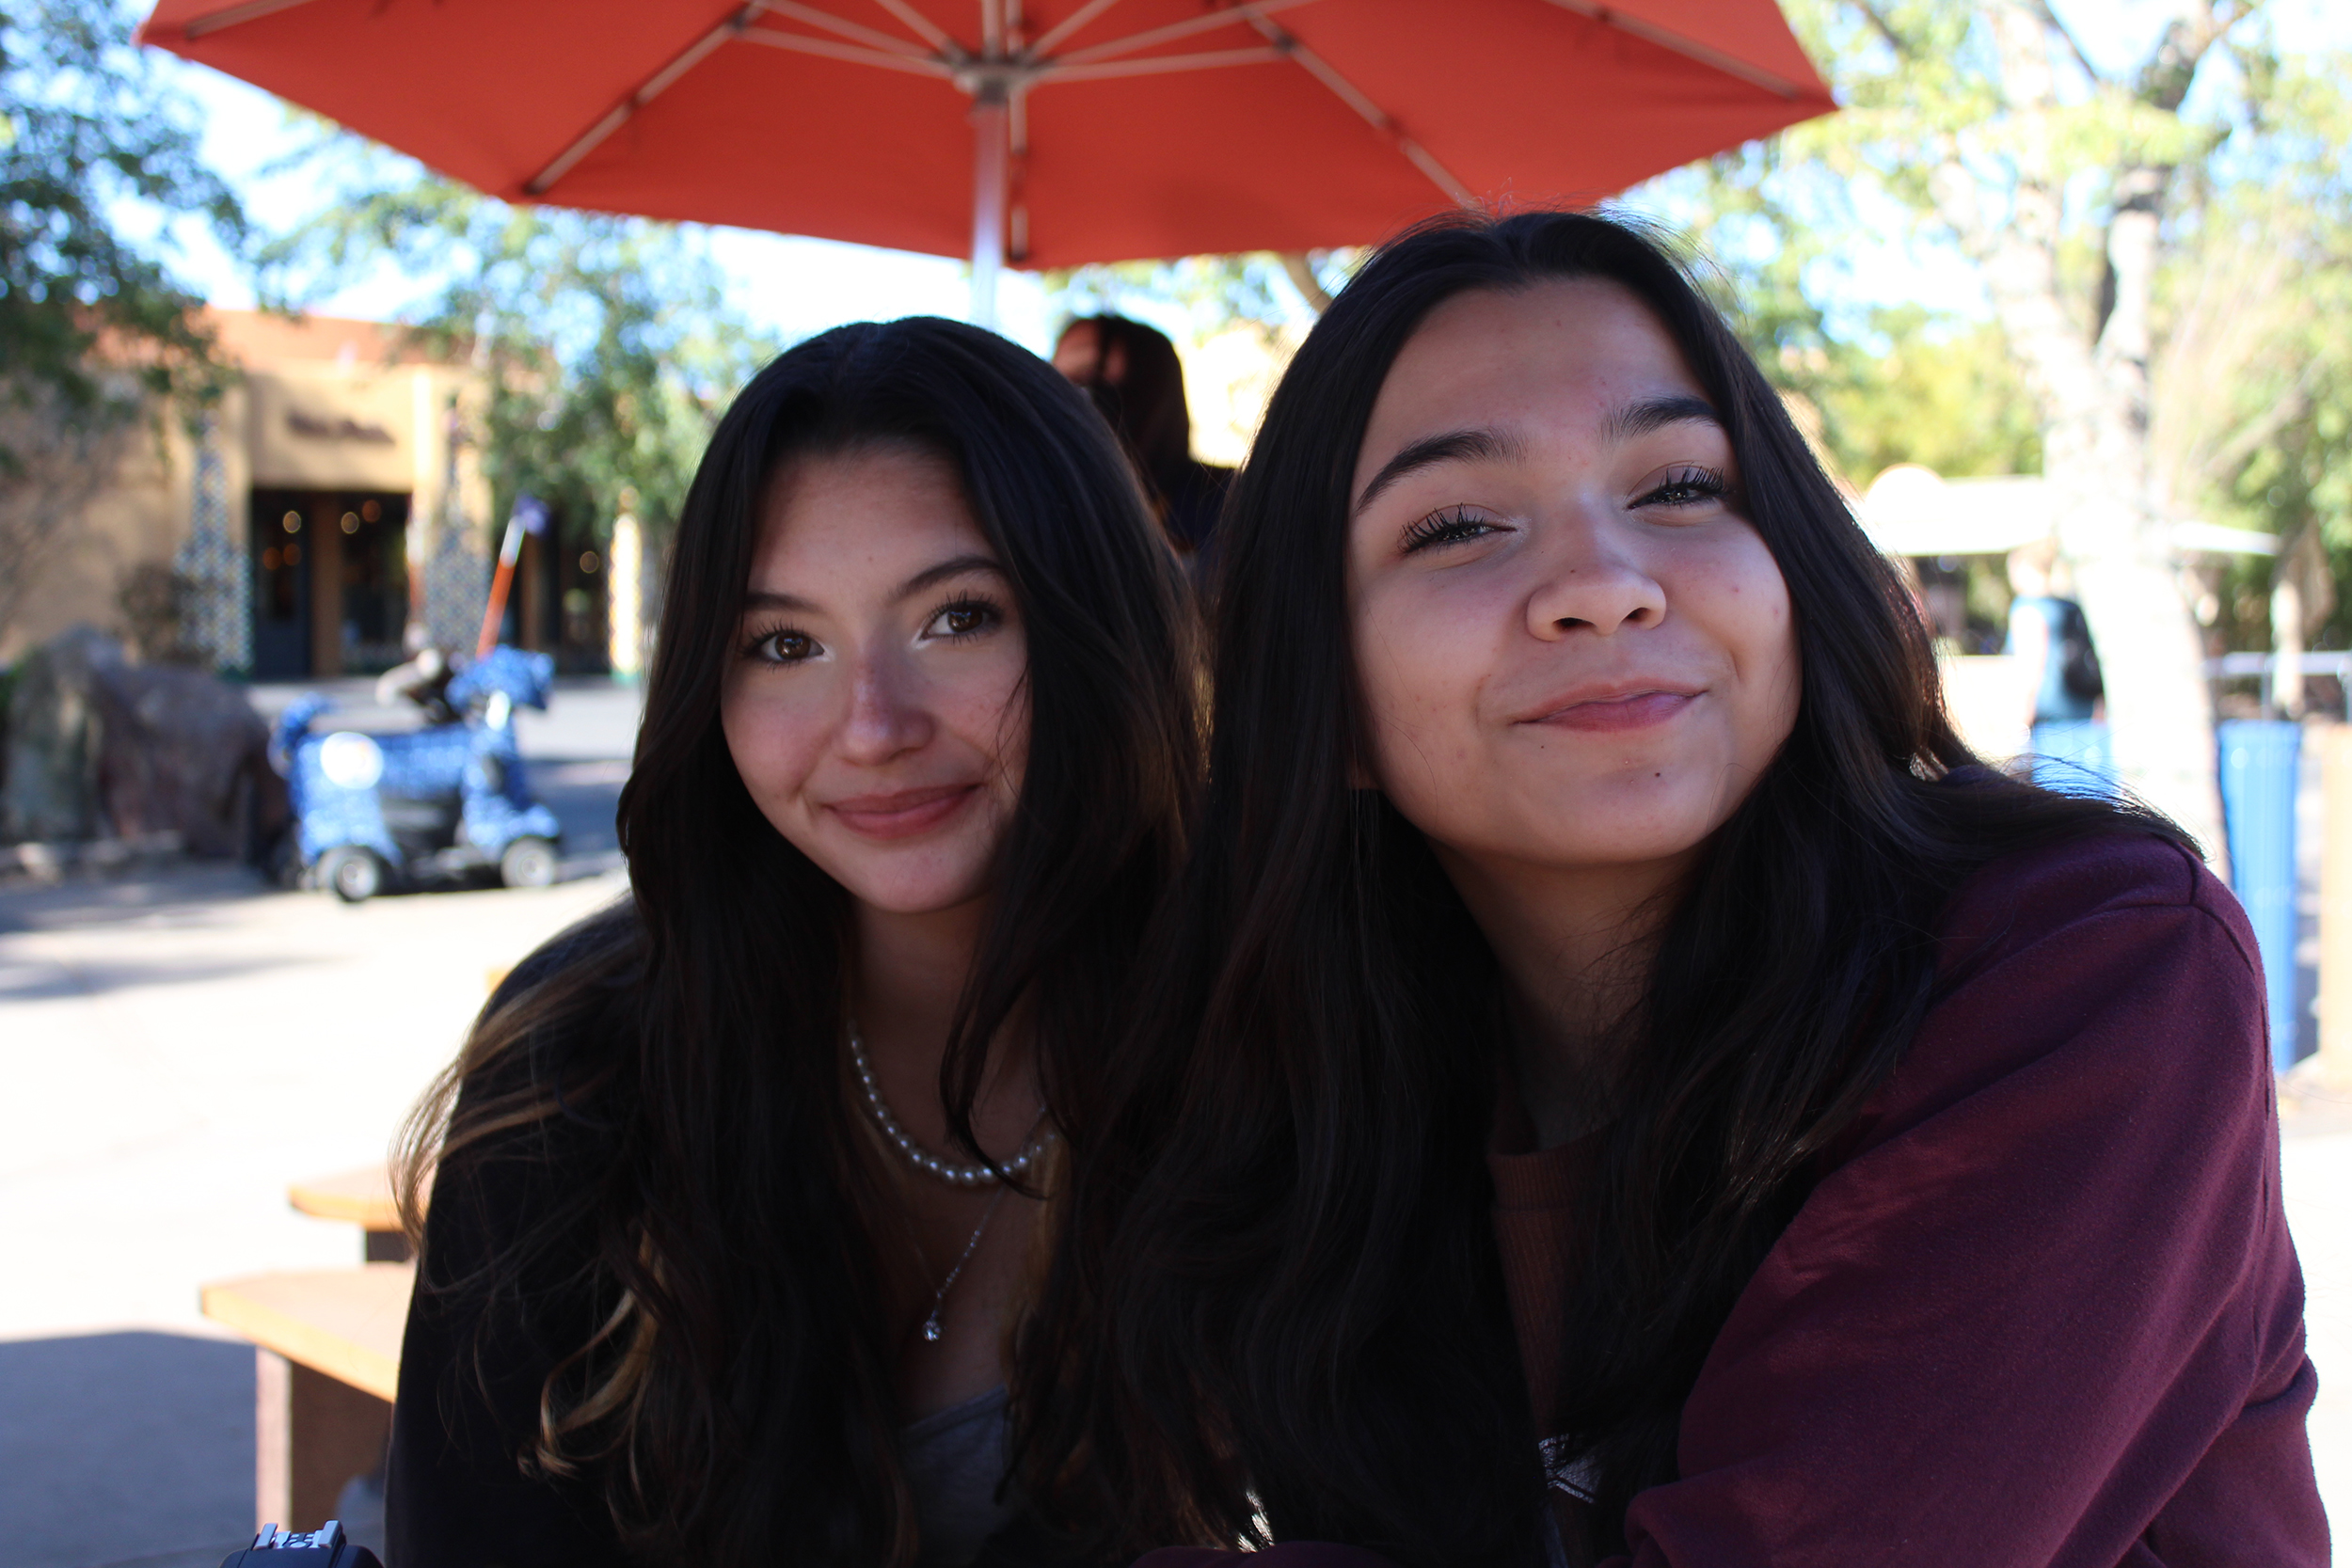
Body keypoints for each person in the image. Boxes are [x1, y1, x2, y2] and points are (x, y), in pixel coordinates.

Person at [1019, 212, 2325, 1568]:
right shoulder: (1352, 1103)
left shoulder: (2088, 969)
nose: (1602, 582)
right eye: (1459, 522)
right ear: (1324, 697)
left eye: (1680, 487)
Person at [386, 318, 1199, 1568]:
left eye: (959, 616)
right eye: (784, 643)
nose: (871, 724)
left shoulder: (1269, 1032)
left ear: (1097, 621)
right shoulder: (585, 1064)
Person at [1053, 315, 1232, 569]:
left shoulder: (1224, 502)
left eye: (1087, 374)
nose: (1066, 401)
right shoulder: (1051, 508)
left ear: (1150, 383)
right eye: (1056, 381)